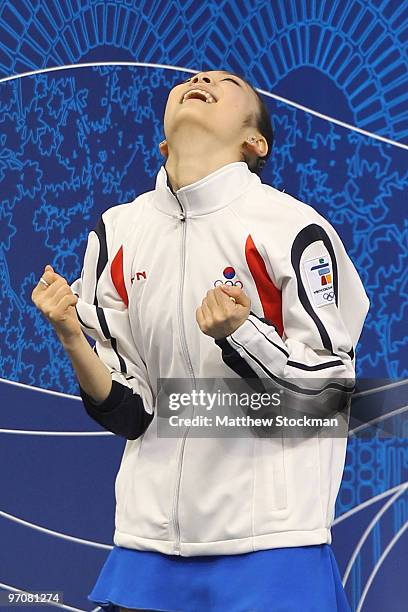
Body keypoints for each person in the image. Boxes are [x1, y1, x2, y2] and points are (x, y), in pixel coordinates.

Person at [32, 70, 370, 612]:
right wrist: (71, 335)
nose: (202, 78)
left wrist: (243, 335)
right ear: (164, 140)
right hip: (145, 551)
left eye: (226, 81)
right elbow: (132, 413)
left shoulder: (293, 229)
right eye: (193, 78)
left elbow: (329, 396)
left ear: (254, 141)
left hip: (272, 551)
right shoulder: (117, 233)